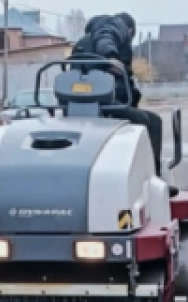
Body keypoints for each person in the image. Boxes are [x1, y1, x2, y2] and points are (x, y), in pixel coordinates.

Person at [71, 13, 166, 180]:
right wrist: (110, 57)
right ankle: (153, 178)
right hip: (103, 104)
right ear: (130, 31)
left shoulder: (84, 41)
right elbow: (106, 35)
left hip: (81, 103)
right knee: (151, 121)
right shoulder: (115, 26)